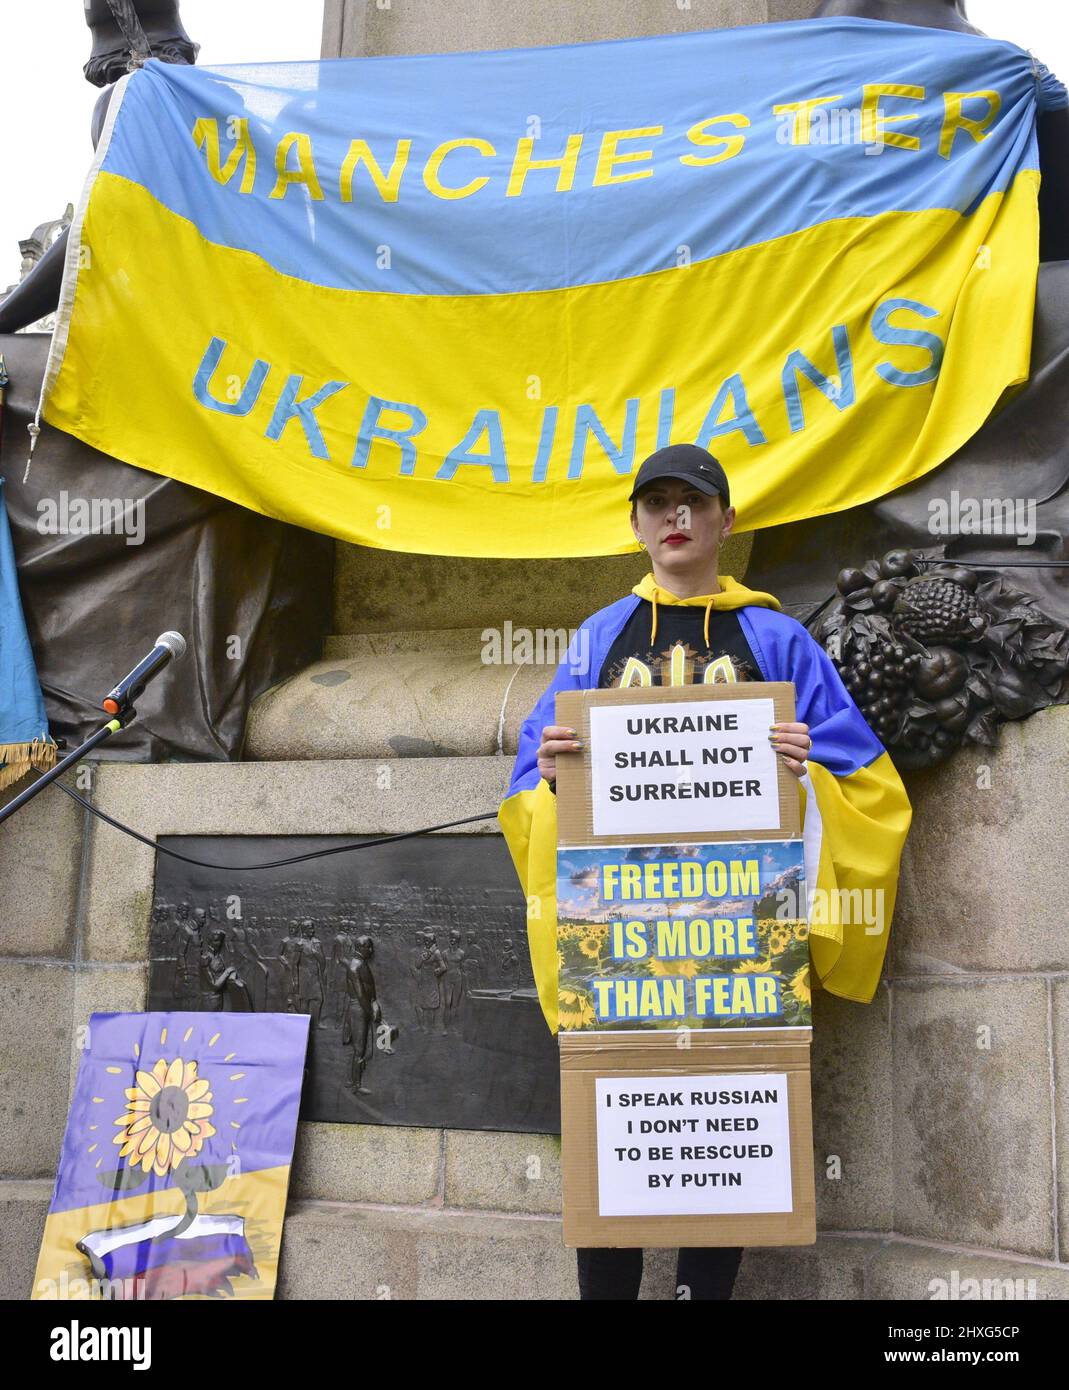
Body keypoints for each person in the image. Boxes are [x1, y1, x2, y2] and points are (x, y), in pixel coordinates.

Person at [498, 443, 912, 1300]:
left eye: (694, 501)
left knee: (728, 1122)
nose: (675, 517)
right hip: (618, 942)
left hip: (738, 940)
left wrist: (812, 774)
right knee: (614, 1116)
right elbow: (528, 787)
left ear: (727, 520)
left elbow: (868, 787)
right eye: (657, 503)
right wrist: (546, 774)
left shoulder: (778, 639)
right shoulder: (595, 640)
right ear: (637, 525)